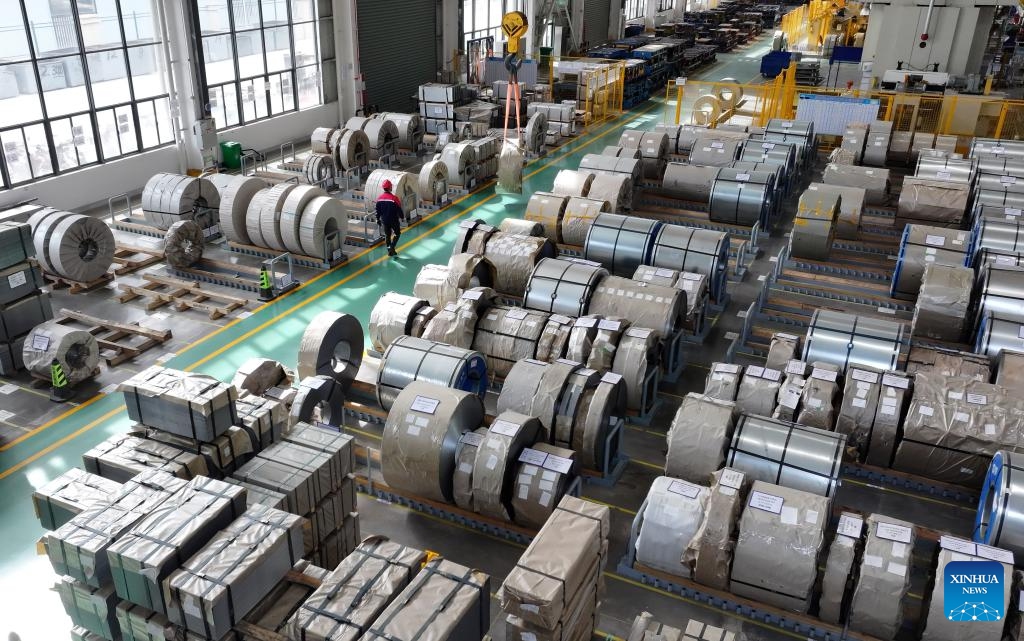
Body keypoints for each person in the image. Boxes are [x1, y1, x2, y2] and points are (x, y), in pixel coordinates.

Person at [375, 179, 403, 256]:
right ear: (390, 187)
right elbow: (399, 209)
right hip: (394, 220)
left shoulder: (379, 199)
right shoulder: (394, 199)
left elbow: (377, 211)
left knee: (387, 235)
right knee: (397, 233)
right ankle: (392, 247)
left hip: (385, 220)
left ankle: (389, 250)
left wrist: (377, 219)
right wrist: (402, 217)